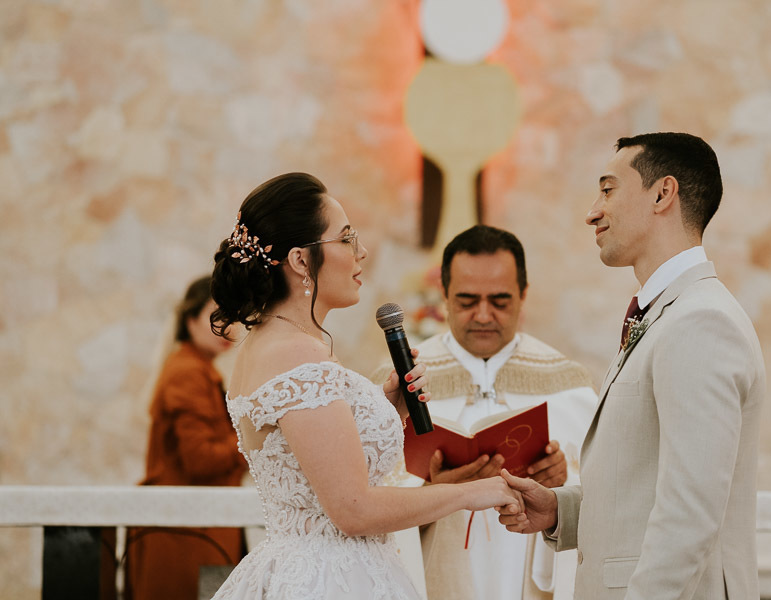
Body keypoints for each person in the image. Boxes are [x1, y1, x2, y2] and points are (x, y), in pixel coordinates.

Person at [207, 173, 522, 599]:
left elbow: (315, 465)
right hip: (329, 579)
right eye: (346, 239)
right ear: (301, 260)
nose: (362, 251)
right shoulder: (296, 352)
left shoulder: (268, 344)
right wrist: (471, 492)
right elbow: (353, 510)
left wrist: (387, 408)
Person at [498, 133, 766, 599]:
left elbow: (691, 512)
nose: (592, 212)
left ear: (663, 194)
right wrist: (562, 511)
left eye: (608, 189)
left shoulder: (700, 321)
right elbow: (645, 483)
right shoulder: (668, 313)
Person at [373, 225, 597, 600]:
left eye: (500, 300)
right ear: (443, 294)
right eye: (466, 300)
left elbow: (608, 491)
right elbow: (364, 500)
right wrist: (433, 494)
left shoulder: (568, 382)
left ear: (523, 295)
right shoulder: (399, 382)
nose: (482, 314)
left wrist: (562, 481)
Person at [126, 275, 248, 600]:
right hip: (186, 536)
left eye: (234, 316)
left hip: (194, 529)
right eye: (218, 315)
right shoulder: (188, 372)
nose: (229, 326)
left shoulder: (195, 367)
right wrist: (254, 439)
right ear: (190, 319)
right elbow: (201, 460)